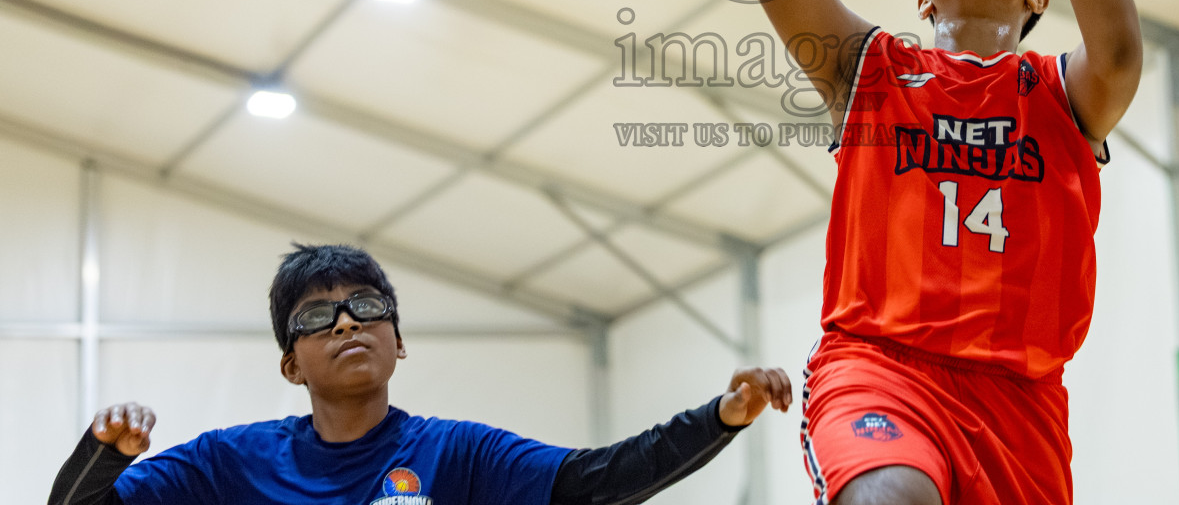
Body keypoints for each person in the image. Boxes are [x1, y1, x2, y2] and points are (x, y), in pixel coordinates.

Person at [734, 0, 1142, 504]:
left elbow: (1122, 50)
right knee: (893, 495)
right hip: (880, 369)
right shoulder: (873, 73)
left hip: (1020, 404)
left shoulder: (1061, 96)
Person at [49, 243, 792, 505]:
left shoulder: (459, 454)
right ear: (290, 365)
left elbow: (596, 482)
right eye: (318, 316)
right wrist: (103, 453)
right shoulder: (227, 462)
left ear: (398, 342)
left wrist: (720, 417)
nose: (346, 323)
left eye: (367, 307)